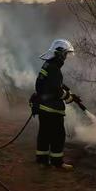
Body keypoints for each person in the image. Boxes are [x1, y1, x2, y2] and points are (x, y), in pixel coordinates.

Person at [33, 39, 80, 170]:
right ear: (59, 54)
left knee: (44, 134)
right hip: (52, 109)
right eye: (65, 54)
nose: (66, 57)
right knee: (58, 135)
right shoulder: (54, 68)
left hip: (43, 107)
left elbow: (48, 84)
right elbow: (56, 90)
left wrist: (67, 90)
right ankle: (57, 162)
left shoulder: (48, 65)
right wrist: (68, 97)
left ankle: (42, 159)